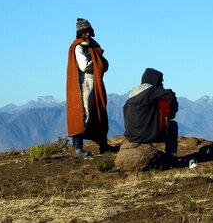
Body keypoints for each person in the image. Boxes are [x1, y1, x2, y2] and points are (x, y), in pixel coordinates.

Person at [66, 18, 117, 157]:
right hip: (84, 84)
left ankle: (103, 144)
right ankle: (78, 148)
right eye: (84, 32)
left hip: (96, 82)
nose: (87, 34)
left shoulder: (93, 46)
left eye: (88, 31)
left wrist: (98, 64)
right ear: (80, 33)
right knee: (84, 114)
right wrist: (98, 64)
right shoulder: (78, 47)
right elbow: (85, 66)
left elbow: (100, 62)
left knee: (99, 111)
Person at [123, 68, 179, 160]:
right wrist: (169, 114)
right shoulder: (152, 90)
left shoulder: (132, 93)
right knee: (173, 126)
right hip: (148, 135)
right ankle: (171, 156)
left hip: (132, 135)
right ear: (154, 80)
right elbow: (170, 97)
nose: (161, 84)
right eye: (160, 81)